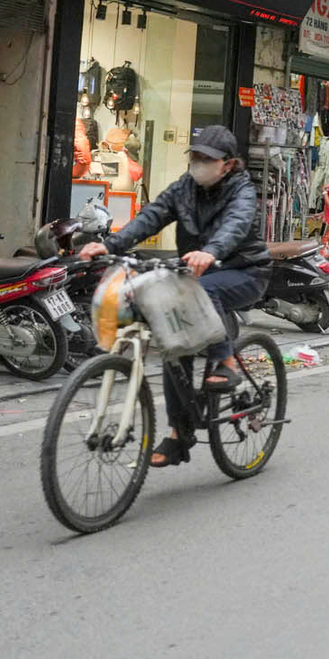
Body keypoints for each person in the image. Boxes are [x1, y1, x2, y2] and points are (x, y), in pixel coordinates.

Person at [79, 125, 271, 467]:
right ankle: (178, 435)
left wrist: (211, 251)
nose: (198, 163)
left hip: (243, 270)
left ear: (227, 164)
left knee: (203, 290)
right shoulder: (185, 187)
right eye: (194, 156)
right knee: (173, 342)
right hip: (194, 271)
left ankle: (226, 362)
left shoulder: (242, 189)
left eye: (206, 159)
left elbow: (237, 224)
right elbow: (151, 217)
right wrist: (108, 245)